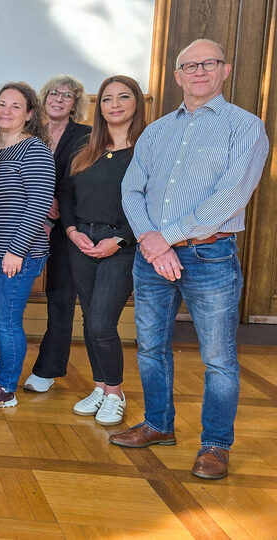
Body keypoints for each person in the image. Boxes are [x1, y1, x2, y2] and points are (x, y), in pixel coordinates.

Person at [111, 38, 268, 481]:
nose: (199, 71)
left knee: (218, 358)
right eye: (189, 65)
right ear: (177, 76)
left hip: (210, 255)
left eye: (208, 63)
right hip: (151, 257)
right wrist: (149, 240)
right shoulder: (158, 130)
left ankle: (216, 445)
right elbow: (131, 190)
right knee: (151, 347)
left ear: (224, 70)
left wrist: (167, 239)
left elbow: (232, 196)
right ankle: (158, 425)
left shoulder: (245, 126)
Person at [60, 75, 146, 426]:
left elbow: (152, 205)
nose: (115, 105)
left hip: (122, 244)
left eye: (123, 97)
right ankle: (99, 386)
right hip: (81, 240)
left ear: (137, 103)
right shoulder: (86, 146)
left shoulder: (145, 149)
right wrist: (70, 231)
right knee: (88, 319)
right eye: (107, 99)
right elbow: (65, 193)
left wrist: (120, 240)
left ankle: (115, 392)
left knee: (101, 322)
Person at [0, 83, 55, 410]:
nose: (6, 110)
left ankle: (5, 388)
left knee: (5, 320)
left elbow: (39, 204)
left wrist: (16, 250)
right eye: (2, 104)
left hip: (16, 254)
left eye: (16, 106)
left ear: (30, 113)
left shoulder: (34, 150)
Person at [24, 75, 92, 393]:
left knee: (61, 296)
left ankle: (48, 369)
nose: (59, 99)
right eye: (53, 93)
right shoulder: (27, 131)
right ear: (43, 97)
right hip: (24, 223)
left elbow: (86, 178)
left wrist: (58, 203)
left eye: (67, 95)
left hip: (67, 227)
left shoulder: (87, 135)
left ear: (76, 104)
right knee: (3, 289)